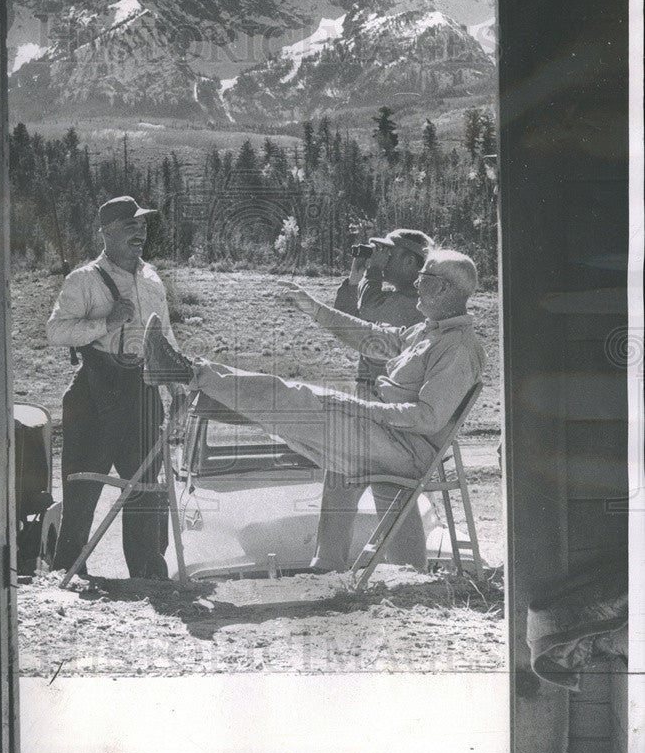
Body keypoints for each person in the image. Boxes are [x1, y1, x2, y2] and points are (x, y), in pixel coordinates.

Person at [141, 250, 486, 570]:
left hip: (404, 448)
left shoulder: (457, 347)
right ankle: (328, 567)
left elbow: (427, 418)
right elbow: (370, 337)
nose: (415, 284)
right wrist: (314, 309)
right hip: (392, 441)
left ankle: (189, 374)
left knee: (299, 398)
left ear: (441, 288)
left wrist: (358, 407)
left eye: (423, 278)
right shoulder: (429, 332)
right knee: (325, 448)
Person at [46, 195, 182, 578]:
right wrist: (105, 323)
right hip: (94, 390)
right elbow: (55, 331)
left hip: (141, 388)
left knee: (145, 484)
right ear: (106, 232)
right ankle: (70, 572)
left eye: (142, 225)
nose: (140, 232)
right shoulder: (84, 279)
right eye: (129, 226)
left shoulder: (152, 277)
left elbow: (165, 334)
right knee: (84, 484)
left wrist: (176, 384)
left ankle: (149, 575)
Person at [317, 229, 433, 572]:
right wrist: (357, 274)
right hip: (374, 403)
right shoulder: (398, 298)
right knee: (346, 472)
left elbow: (367, 311)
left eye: (390, 255)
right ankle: (332, 562)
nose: (382, 261)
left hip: (388, 408)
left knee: (359, 476)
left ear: (411, 263)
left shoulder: (414, 303)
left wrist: (372, 271)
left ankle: (333, 563)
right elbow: (344, 318)